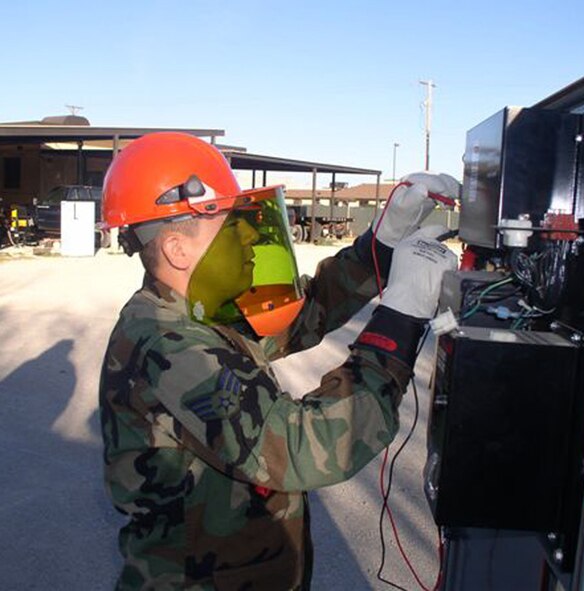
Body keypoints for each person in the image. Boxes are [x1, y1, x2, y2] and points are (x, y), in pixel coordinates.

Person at [99, 132, 459, 590]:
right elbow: (300, 446)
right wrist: (399, 321)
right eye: (231, 223)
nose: (247, 236)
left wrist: (382, 245)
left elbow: (301, 317)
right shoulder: (167, 345)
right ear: (177, 248)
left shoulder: (198, 309)